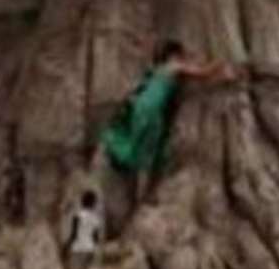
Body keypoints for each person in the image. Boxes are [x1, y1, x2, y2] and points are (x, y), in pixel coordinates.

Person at [98, 39, 238, 195]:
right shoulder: (174, 65)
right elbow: (202, 73)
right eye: (182, 54)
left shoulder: (159, 68)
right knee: (150, 149)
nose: (184, 57)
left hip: (141, 105)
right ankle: (146, 190)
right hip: (152, 108)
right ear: (174, 55)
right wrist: (221, 62)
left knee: (141, 141)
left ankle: (126, 166)